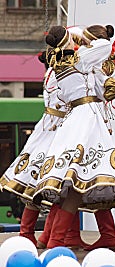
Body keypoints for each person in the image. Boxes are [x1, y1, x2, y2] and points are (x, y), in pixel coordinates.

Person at [32, 25, 115, 249]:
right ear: (70, 42)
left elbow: (97, 89)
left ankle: (57, 241)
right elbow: (105, 45)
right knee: (83, 175)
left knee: (77, 182)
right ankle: (57, 241)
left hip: (76, 118)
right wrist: (87, 39)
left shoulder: (62, 64)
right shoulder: (79, 58)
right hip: (87, 120)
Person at [0, 51, 67, 247]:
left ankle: (35, 234)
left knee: (42, 186)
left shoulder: (50, 75)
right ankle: (41, 235)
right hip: (56, 132)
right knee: (57, 187)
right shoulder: (58, 77)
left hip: (46, 132)